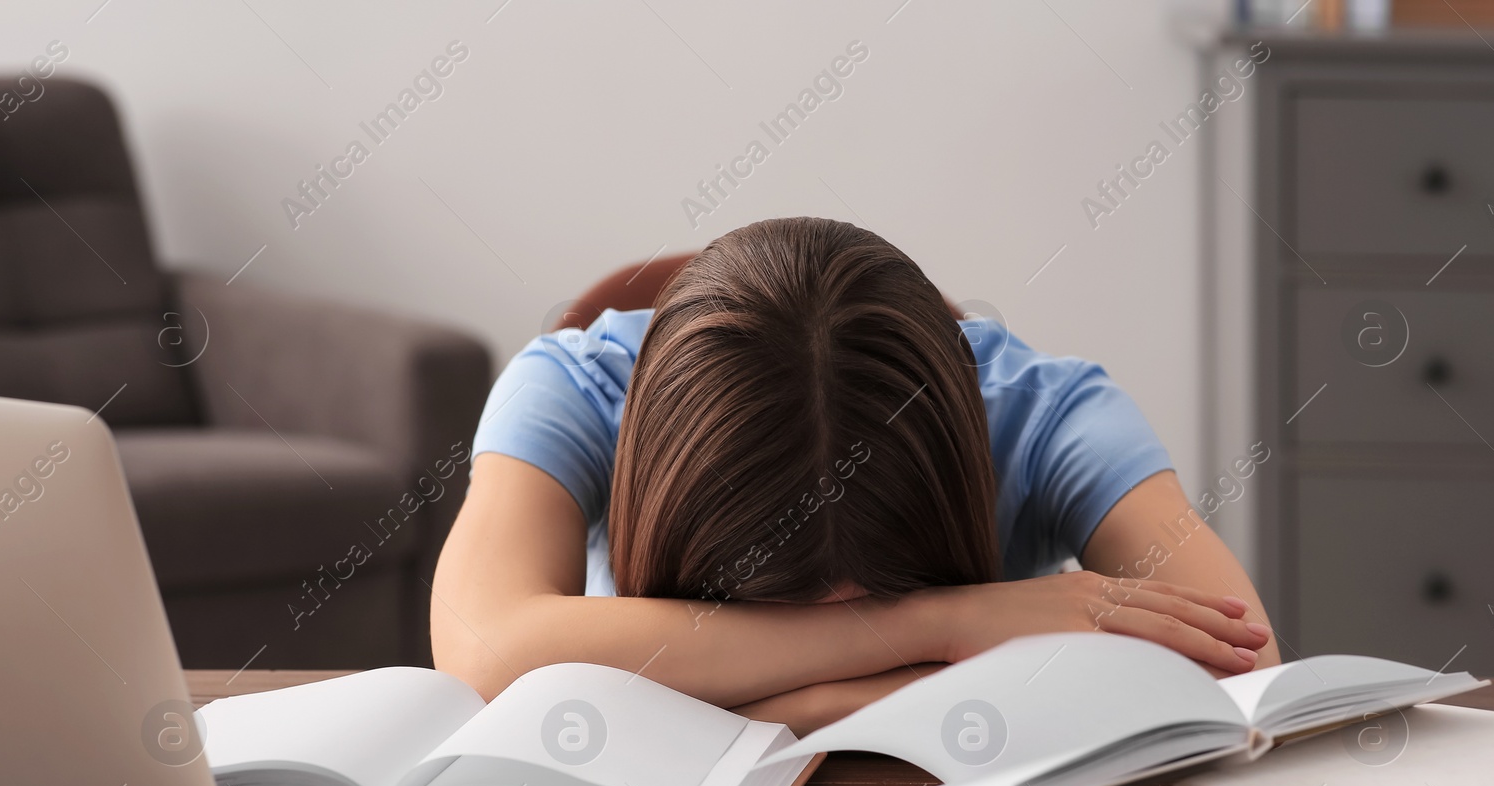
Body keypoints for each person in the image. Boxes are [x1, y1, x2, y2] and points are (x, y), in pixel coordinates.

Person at [432, 217, 1278, 734]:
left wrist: (741, 699)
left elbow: (1244, 678)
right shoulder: (579, 387)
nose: (825, 645)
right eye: (765, 617)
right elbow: (481, 651)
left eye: (879, 595)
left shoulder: (1047, 416)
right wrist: (939, 625)